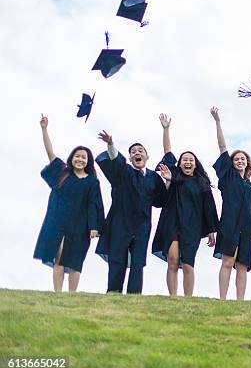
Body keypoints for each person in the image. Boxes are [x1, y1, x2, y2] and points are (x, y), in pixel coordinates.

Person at [34, 115, 103, 292]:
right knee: (59, 257)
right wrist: (44, 129)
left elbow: (94, 205)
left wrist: (94, 226)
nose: (80, 159)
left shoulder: (92, 182)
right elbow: (50, 153)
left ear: (88, 162)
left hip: (81, 225)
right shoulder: (63, 173)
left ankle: (72, 295)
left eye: (84, 157)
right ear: (72, 158)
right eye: (77, 156)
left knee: (75, 261)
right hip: (60, 222)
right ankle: (58, 294)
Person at [152, 114, 219, 296]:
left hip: (193, 226)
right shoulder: (174, 176)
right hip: (172, 221)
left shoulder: (202, 183)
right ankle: (173, 297)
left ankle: (188, 298)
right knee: (172, 259)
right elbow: (168, 152)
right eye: (184, 160)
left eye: (191, 160)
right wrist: (166, 130)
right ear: (180, 164)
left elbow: (209, 208)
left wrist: (212, 230)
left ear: (195, 164)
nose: (187, 162)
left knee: (188, 262)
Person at [95, 129, 167, 294]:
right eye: (133, 152)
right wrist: (111, 144)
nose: (137, 153)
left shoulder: (153, 178)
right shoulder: (123, 172)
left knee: (138, 262)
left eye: (140, 151)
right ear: (130, 158)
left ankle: (134, 295)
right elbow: (115, 160)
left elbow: (162, 201)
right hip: (121, 222)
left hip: (142, 225)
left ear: (147, 157)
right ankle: (113, 292)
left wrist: (168, 180)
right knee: (117, 259)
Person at [210, 107, 251, 300]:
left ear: (247, 163)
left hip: (247, 228)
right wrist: (218, 122)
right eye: (237, 159)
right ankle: (222, 299)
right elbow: (222, 147)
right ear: (232, 163)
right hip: (229, 225)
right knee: (228, 262)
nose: (240, 161)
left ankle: (240, 302)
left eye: (243, 159)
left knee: (242, 266)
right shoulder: (228, 177)